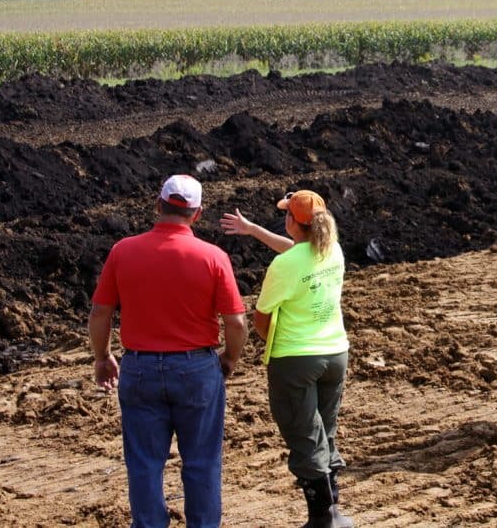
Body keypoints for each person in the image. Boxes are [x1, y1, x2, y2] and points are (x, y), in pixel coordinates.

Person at [87, 174, 247, 528]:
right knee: (202, 462)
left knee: (144, 463)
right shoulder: (213, 256)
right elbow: (236, 322)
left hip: (140, 368)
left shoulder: (123, 251)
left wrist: (103, 357)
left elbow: (100, 313)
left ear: (157, 205)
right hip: (196, 369)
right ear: (198, 214)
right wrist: (229, 359)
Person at [220, 190, 353, 528]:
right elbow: (296, 252)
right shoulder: (332, 250)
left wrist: (271, 342)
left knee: (304, 434)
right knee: (325, 430)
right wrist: (252, 229)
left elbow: (261, 315)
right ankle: (335, 511)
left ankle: (321, 519)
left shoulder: (285, 265)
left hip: (296, 358)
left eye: (287, 214)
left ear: (294, 221)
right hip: (335, 352)